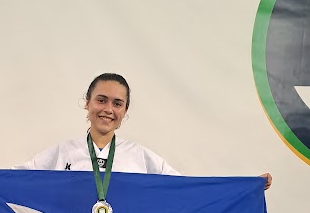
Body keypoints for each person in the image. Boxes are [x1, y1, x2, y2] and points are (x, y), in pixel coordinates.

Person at [14, 73, 273, 188]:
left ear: (125, 111)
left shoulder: (140, 157)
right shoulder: (62, 153)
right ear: (87, 103)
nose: (108, 109)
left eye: (117, 104)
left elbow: (187, 189)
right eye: (101, 100)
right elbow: (13, 181)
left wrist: (245, 187)